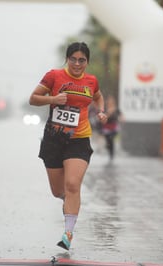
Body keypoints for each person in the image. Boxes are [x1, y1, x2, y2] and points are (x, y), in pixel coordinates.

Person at [29, 42, 107, 250]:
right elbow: (33, 99)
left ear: (87, 62)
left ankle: (68, 233)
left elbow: (98, 96)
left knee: (73, 184)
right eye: (73, 59)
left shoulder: (91, 81)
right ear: (67, 59)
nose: (77, 63)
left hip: (79, 139)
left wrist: (101, 110)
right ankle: (68, 200)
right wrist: (53, 99)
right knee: (58, 191)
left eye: (82, 60)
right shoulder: (54, 76)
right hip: (54, 139)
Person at [101, 95, 123, 161]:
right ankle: (108, 149)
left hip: (114, 127)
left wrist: (121, 118)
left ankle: (112, 155)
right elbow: (103, 117)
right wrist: (108, 113)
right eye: (109, 101)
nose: (110, 102)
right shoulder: (105, 108)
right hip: (107, 127)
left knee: (111, 140)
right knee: (108, 140)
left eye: (112, 101)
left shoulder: (116, 109)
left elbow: (121, 115)